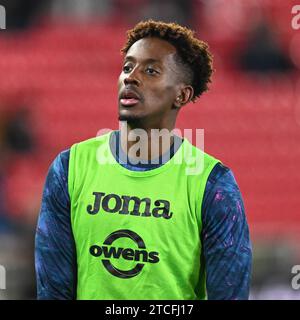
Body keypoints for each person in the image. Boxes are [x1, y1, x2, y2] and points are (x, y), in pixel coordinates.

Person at [35, 20, 252, 300]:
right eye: (127, 67)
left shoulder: (213, 183)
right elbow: (52, 291)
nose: (131, 77)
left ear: (181, 94)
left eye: (151, 70)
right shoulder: (69, 167)